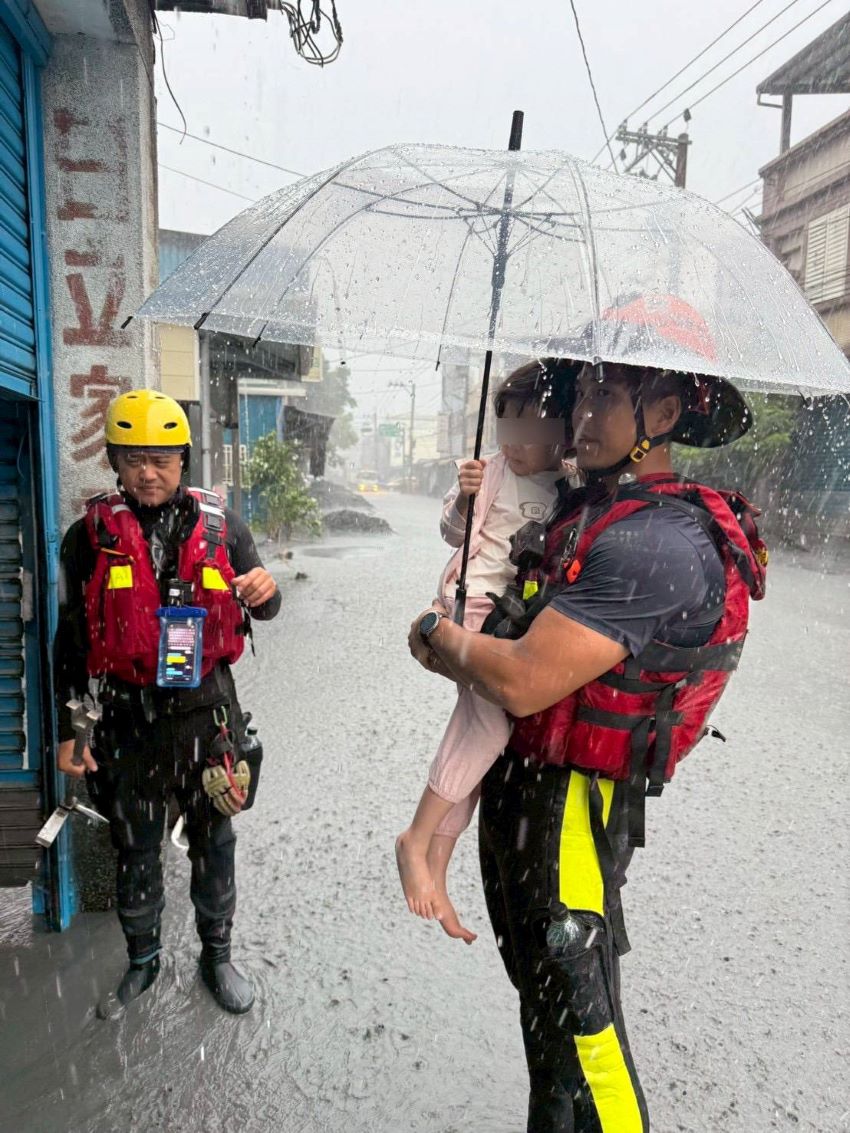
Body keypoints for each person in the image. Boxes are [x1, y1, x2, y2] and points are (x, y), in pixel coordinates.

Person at [407, 312, 767, 1131]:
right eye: (580, 391)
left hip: (572, 809)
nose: (581, 414)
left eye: (607, 393)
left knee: (585, 1028)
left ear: (668, 414)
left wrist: (435, 636)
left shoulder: (656, 542)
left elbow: (527, 680)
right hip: (525, 794)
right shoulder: (584, 510)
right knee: (546, 1020)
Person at [54, 389, 281, 1020]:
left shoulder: (224, 527)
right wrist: (71, 729)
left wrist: (265, 593)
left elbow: (264, 604)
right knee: (136, 846)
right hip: (128, 719)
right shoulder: (88, 538)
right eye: (132, 459)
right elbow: (70, 639)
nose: (147, 472)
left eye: (160, 458)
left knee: (216, 840)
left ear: (183, 459)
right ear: (114, 463)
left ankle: (217, 954)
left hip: (208, 715)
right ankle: (143, 959)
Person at [395, 360, 574, 945]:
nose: (516, 444)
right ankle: (416, 840)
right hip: (471, 608)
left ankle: (436, 872)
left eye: (531, 431)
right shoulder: (488, 473)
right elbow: (451, 532)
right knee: (488, 732)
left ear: (562, 432)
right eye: (507, 428)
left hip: (514, 621)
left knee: (479, 744)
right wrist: (463, 500)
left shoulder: (568, 488)